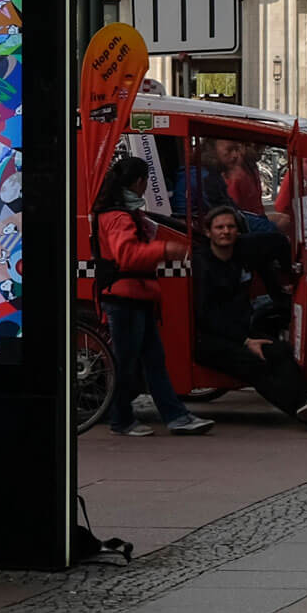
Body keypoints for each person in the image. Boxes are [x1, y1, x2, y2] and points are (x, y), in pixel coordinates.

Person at [193, 205, 307, 428]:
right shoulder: (203, 265)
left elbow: (277, 242)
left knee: (282, 350)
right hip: (212, 339)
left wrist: (285, 282)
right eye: (220, 228)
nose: (225, 231)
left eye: (230, 227)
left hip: (242, 329)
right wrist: (245, 341)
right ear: (209, 232)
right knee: (256, 364)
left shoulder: (241, 250)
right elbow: (207, 317)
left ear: (238, 231)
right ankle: (302, 409)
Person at [93, 156, 214, 437]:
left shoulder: (115, 214)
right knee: (130, 363)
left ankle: (173, 416)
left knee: (149, 361)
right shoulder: (119, 217)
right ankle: (127, 419)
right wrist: (164, 250)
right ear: (139, 182)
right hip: (126, 297)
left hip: (132, 296)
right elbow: (128, 255)